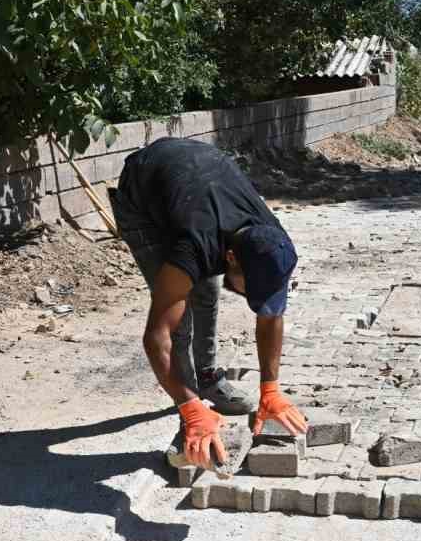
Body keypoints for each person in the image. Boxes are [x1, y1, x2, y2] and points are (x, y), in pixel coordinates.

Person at [108, 137, 309, 468]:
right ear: (230, 257)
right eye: (250, 288)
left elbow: (271, 315)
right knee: (181, 316)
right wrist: (191, 409)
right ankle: (191, 422)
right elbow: (157, 336)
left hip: (200, 184)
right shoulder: (196, 244)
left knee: (208, 291)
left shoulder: (273, 243)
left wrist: (269, 390)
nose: (251, 298)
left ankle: (208, 380)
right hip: (143, 192)